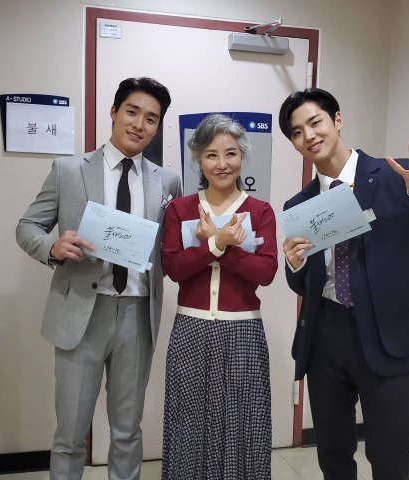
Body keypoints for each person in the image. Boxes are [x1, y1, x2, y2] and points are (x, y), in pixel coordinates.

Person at [278, 88, 409, 480]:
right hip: (326, 334)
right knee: (333, 454)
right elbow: (306, 283)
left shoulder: (397, 176)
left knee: (391, 455)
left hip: (388, 334)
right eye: (296, 132)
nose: (309, 136)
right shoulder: (299, 206)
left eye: (315, 122)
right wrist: (294, 265)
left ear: (337, 120)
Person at [16, 76, 182, 480]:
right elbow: (27, 226)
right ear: (113, 112)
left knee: (127, 431)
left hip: (138, 316)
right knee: (71, 434)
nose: (139, 124)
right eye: (132, 112)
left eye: (151, 119)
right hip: (80, 314)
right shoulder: (69, 170)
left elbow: (170, 246)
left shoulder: (167, 182)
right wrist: (53, 247)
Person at [161, 113, 277, 480]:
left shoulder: (260, 211)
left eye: (231, 153)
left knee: (242, 423)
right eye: (211, 155)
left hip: (243, 331)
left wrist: (221, 246)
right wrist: (215, 244)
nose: (222, 164)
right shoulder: (180, 209)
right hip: (190, 329)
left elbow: (266, 272)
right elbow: (173, 268)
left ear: (242, 156)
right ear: (198, 159)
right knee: (189, 422)